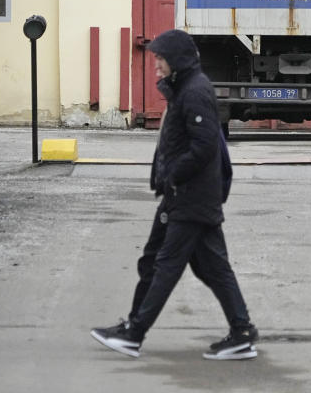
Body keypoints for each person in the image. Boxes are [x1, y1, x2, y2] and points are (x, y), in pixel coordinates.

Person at [90, 29, 258, 360]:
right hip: (185, 195)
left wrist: (173, 174)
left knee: (165, 264)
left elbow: (204, 145)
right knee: (196, 265)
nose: (156, 66)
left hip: (190, 197)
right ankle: (241, 332)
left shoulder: (195, 92)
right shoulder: (185, 89)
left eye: (160, 59)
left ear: (177, 60)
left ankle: (134, 333)